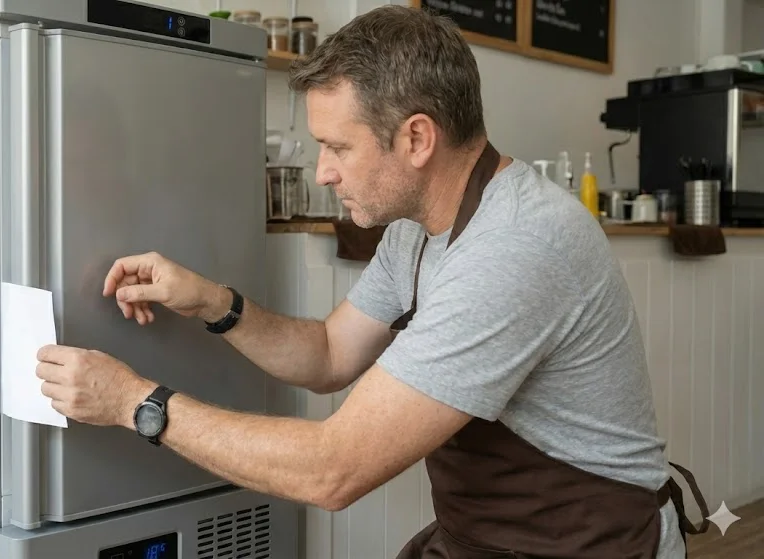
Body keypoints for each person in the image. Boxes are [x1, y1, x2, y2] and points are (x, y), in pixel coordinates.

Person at [34, 5, 708, 557]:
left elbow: (335, 469)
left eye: (338, 146)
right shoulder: (417, 230)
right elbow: (329, 354)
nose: (324, 171)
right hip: (489, 541)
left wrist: (132, 402)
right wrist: (213, 301)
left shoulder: (516, 247)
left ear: (417, 139)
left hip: (590, 546)